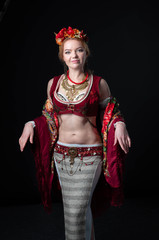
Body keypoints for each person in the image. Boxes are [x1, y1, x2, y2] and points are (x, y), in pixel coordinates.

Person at [19, 26, 131, 240]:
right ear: (62, 56)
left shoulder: (99, 83)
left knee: (77, 210)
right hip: (61, 155)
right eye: (68, 51)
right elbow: (49, 117)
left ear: (86, 52)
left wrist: (120, 124)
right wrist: (31, 124)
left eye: (79, 50)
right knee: (78, 210)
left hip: (90, 155)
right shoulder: (53, 84)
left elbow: (112, 113)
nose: (74, 55)